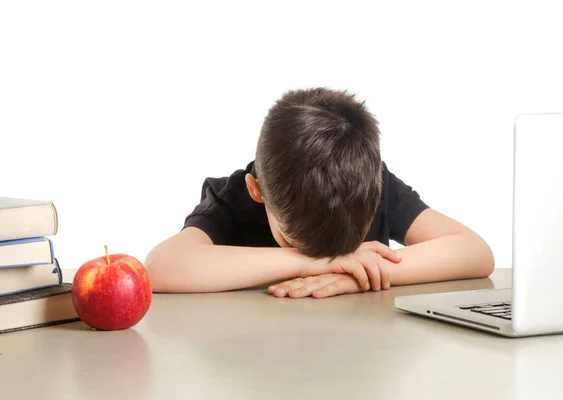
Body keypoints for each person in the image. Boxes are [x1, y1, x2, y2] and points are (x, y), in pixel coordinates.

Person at [144, 87, 494, 298]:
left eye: (339, 249)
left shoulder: (368, 181)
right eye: (297, 242)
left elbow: (475, 252)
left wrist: (362, 275)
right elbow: (161, 268)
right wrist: (306, 264)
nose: (330, 257)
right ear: (257, 191)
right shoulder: (233, 197)